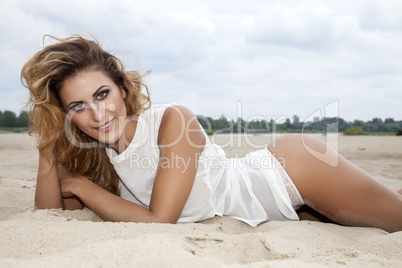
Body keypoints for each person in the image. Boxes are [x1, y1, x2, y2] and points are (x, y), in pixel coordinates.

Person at [21, 34, 402, 232]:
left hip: (291, 173)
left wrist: (83, 187)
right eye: (78, 106)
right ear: (66, 113)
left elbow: (159, 221)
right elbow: (54, 216)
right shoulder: (98, 156)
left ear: (122, 88)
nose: (97, 113)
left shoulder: (173, 120)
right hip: (282, 214)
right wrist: (50, 141)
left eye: (102, 94)